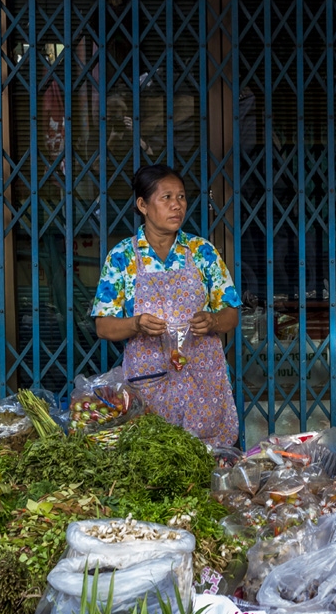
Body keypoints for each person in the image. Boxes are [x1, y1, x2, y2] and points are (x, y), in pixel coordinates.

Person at [91, 165, 241, 447]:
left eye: (182, 197)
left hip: (202, 378)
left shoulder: (201, 251)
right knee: (155, 456)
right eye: (167, 197)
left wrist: (212, 321)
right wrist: (136, 324)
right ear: (142, 205)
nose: (177, 206)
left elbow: (231, 314)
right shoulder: (123, 256)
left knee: (207, 458)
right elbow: (103, 326)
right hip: (150, 381)